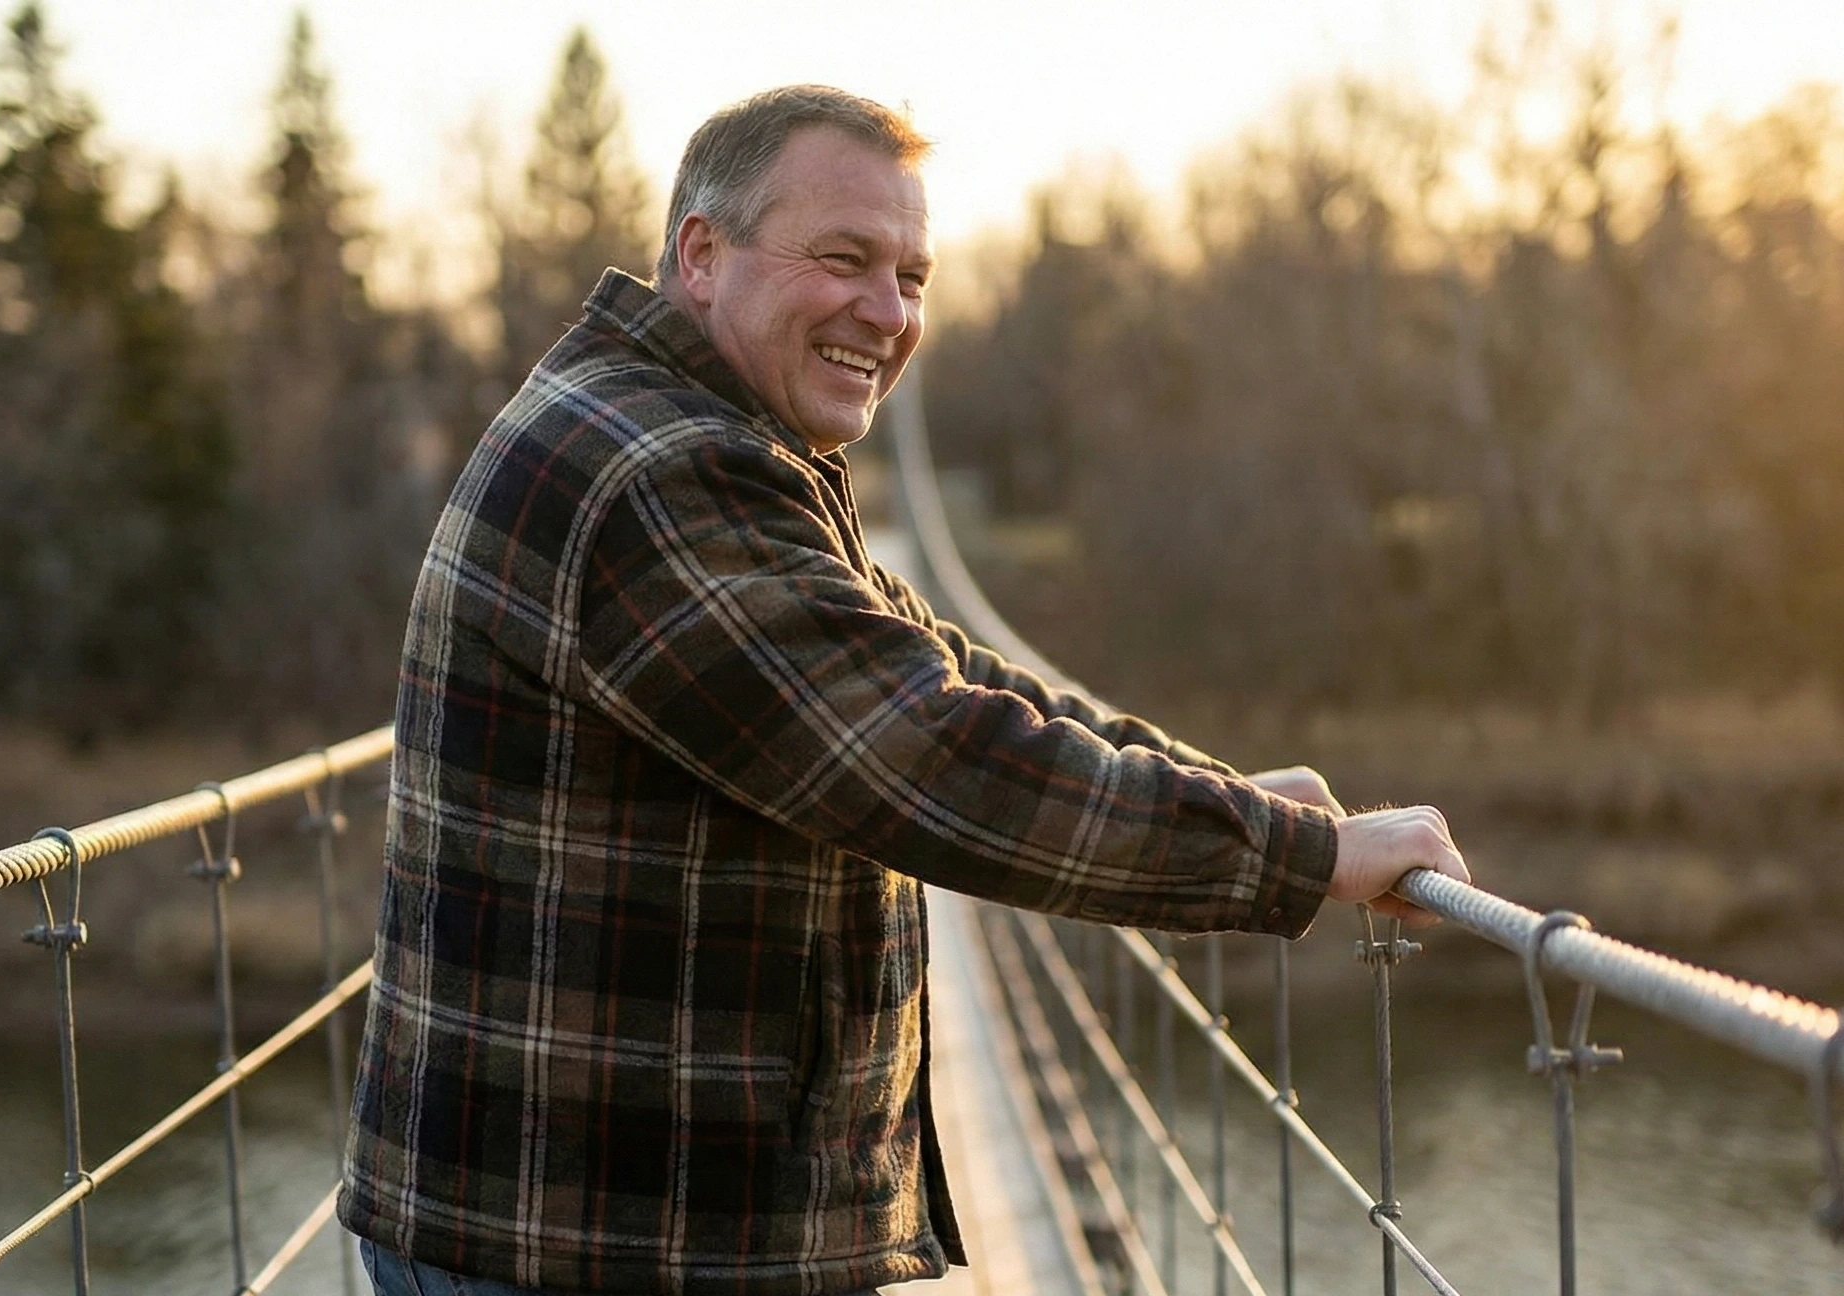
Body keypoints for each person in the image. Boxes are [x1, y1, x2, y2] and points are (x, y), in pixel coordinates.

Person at [339, 85, 1468, 1296]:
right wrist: (1300, 861)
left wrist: (1216, 792)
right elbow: (932, 758)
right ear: (702, 254)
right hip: (581, 1243)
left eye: (914, 277)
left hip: (610, 1221)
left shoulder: (716, 435)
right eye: (844, 260)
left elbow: (941, 668)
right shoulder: (661, 472)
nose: (885, 313)